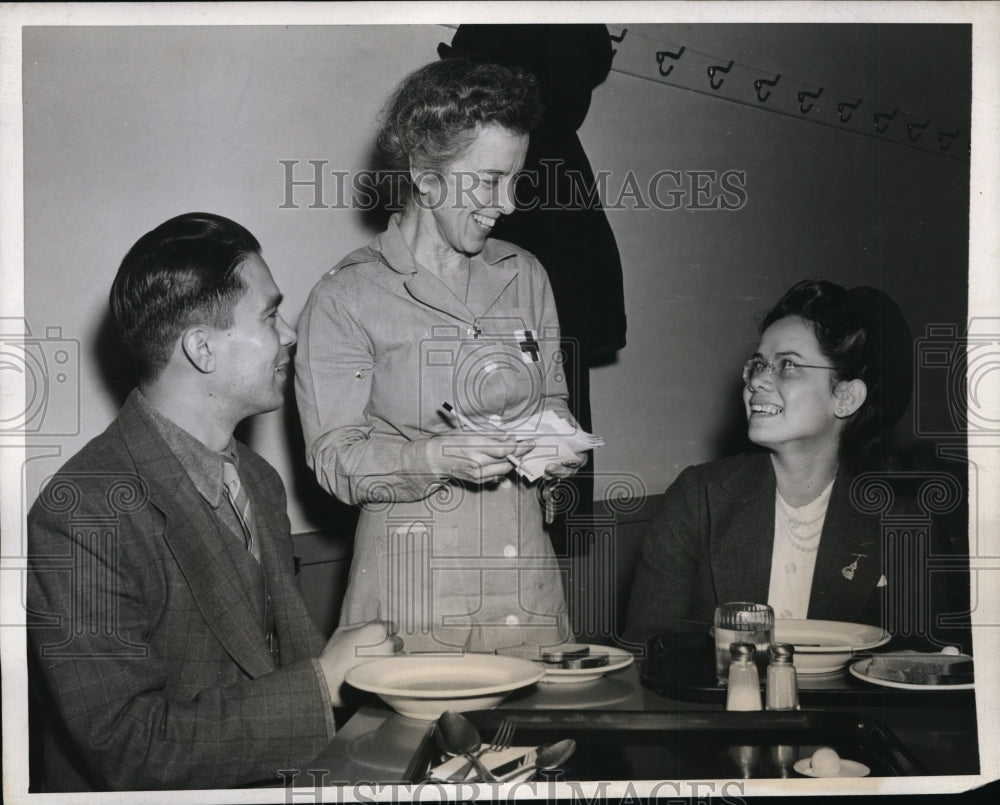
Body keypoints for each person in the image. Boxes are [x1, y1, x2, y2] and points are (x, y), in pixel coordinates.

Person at [27, 213, 395, 792]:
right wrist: (323, 683)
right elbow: (125, 747)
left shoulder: (259, 479)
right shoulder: (81, 513)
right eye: (271, 314)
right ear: (201, 348)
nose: (291, 333)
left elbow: (271, 666)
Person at [295, 60, 584, 654]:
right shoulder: (346, 296)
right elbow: (334, 459)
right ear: (426, 180)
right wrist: (435, 458)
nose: (507, 203)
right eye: (488, 180)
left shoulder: (525, 276)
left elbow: (553, 399)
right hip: (413, 601)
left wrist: (560, 446)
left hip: (527, 590)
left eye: (515, 179)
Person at [624, 279, 918, 644]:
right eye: (758, 364)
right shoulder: (698, 499)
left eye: (788, 366)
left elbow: (918, 668)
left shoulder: (901, 526)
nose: (759, 380)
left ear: (845, 398)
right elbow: (650, 650)